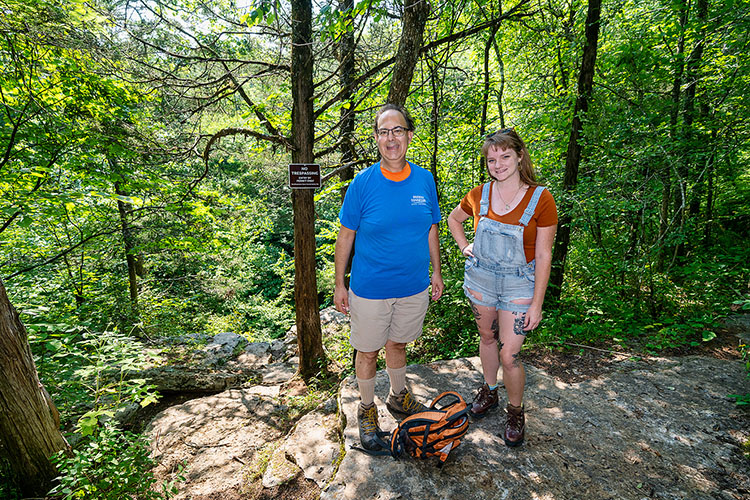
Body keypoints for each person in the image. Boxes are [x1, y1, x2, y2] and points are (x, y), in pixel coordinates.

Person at [334, 103, 444, 451]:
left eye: (397, 130)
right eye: (383, 131)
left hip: (413, 287)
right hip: (370, 289)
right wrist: (340, 284)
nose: (391, 138)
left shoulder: (424, 179)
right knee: (367, 352)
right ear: (377, 139)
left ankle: (399, 397)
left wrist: (437, 272)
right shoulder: (363, 184)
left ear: (409, 135)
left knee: (398, 344)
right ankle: (366, 409)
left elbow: (431, 229)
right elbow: (345, 236)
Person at [447, 128, 557, 447]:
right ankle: (489, 390)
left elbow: (544, 254)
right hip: (482, 278)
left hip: (519, 283)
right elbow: (454, 220)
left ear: (520, 156)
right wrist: (465, 245)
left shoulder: (541, 198)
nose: (498, 164)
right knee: (486, 337)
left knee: (510, 353)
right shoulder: (479, 194)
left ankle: (515, 410)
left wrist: (536, 304)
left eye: (505, 156)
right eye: (491, 159)